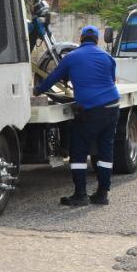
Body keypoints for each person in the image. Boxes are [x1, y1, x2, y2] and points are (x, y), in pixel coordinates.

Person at [34, 25, 121, 206]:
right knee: (105, 151)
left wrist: (37, 90)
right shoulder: (108, 58)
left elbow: (52, 78)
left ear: (81, 38)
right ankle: (102, 195)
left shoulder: (72, 57)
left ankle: (80, 195)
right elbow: (112, 81)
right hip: (113, 107)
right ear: (97, 40)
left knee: (79, 151)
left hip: (91, 110)